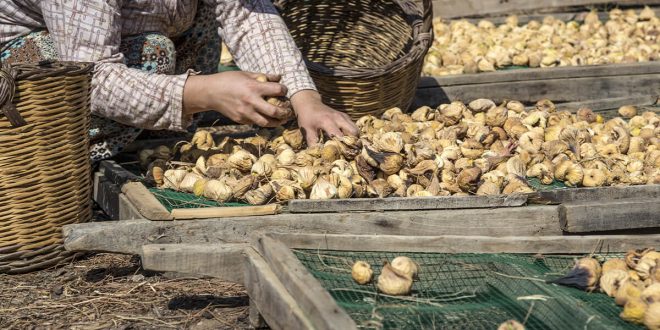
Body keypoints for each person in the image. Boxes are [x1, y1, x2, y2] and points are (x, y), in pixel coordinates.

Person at [0, 0, 358, 161]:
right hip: (25, 73)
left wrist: (304, 98)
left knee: (201, 14)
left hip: (128, 39)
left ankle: (146, 134)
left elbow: (247, 16)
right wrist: (203, 91)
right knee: (154, 53)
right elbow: (92, 77)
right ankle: (77, 156)